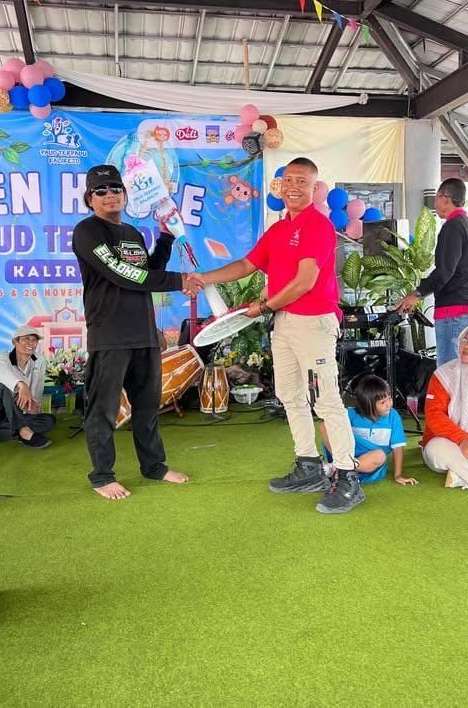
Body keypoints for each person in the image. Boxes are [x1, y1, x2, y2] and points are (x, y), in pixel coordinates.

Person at [187, 157, 365, 514]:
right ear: (279, 187)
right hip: (284, 322)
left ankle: (347, 476)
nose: (294, 186)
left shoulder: (318, 225)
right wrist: (205, 279)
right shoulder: (278, 229)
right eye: (288, 180)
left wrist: (265, 306)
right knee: (289, 395)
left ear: (314, 189)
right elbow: (245, 265)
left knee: (325, 399)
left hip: (313, 323)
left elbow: (305, 281)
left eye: (302, 181)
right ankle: (309, 466)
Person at [72, 164, 202, 500]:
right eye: (100, 191)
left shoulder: (131, 233)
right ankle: (102, 477)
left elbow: (147, 273)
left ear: (126, 194)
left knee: (146, 408)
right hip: (110, 335)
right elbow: (121, 274)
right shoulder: (87, 232)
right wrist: (179, 282)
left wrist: (166, 238)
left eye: (115, 188)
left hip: (143, 334)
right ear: (90, 199)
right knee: (102, 411)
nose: (109, 194)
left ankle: (154, 467)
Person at [395, 178, 468, 366]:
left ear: (444, 198)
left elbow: (445, 271)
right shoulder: (464, 224)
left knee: (448, 375)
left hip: (454, 311)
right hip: (462, 308)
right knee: (461, 376)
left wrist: (417, 294)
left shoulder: (453, 226)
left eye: (437, 196)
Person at [320, 375, 418, 486]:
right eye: (382, 402)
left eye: (389, 398)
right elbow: (329, 424)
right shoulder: (351, 414)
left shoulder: (393, 416)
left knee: (380, 455)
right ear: (368, 404)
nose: (388, 404)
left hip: (368, 463)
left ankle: (337, 470)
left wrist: (398, 475)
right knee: (325, 425)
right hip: (344, 454)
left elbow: (398, 448)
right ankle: (339, 465)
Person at [0, 325, 55, 448]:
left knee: (48, 420)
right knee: (4, 387)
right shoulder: (2, 356)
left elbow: (38, 386)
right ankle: (23, 431)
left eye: (34, 340)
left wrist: (33, 407)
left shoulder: (38, 360)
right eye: (26, 339)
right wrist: (21, 385)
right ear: (15, 342)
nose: (30, 343)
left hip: (9, 417)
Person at [421, 326, 468, 489]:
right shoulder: (444, 374)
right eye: (464, 339)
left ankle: (459, 475)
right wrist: (463, 439)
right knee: (437, 450)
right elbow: (434, 415)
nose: (466, 346)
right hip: (446, 441)